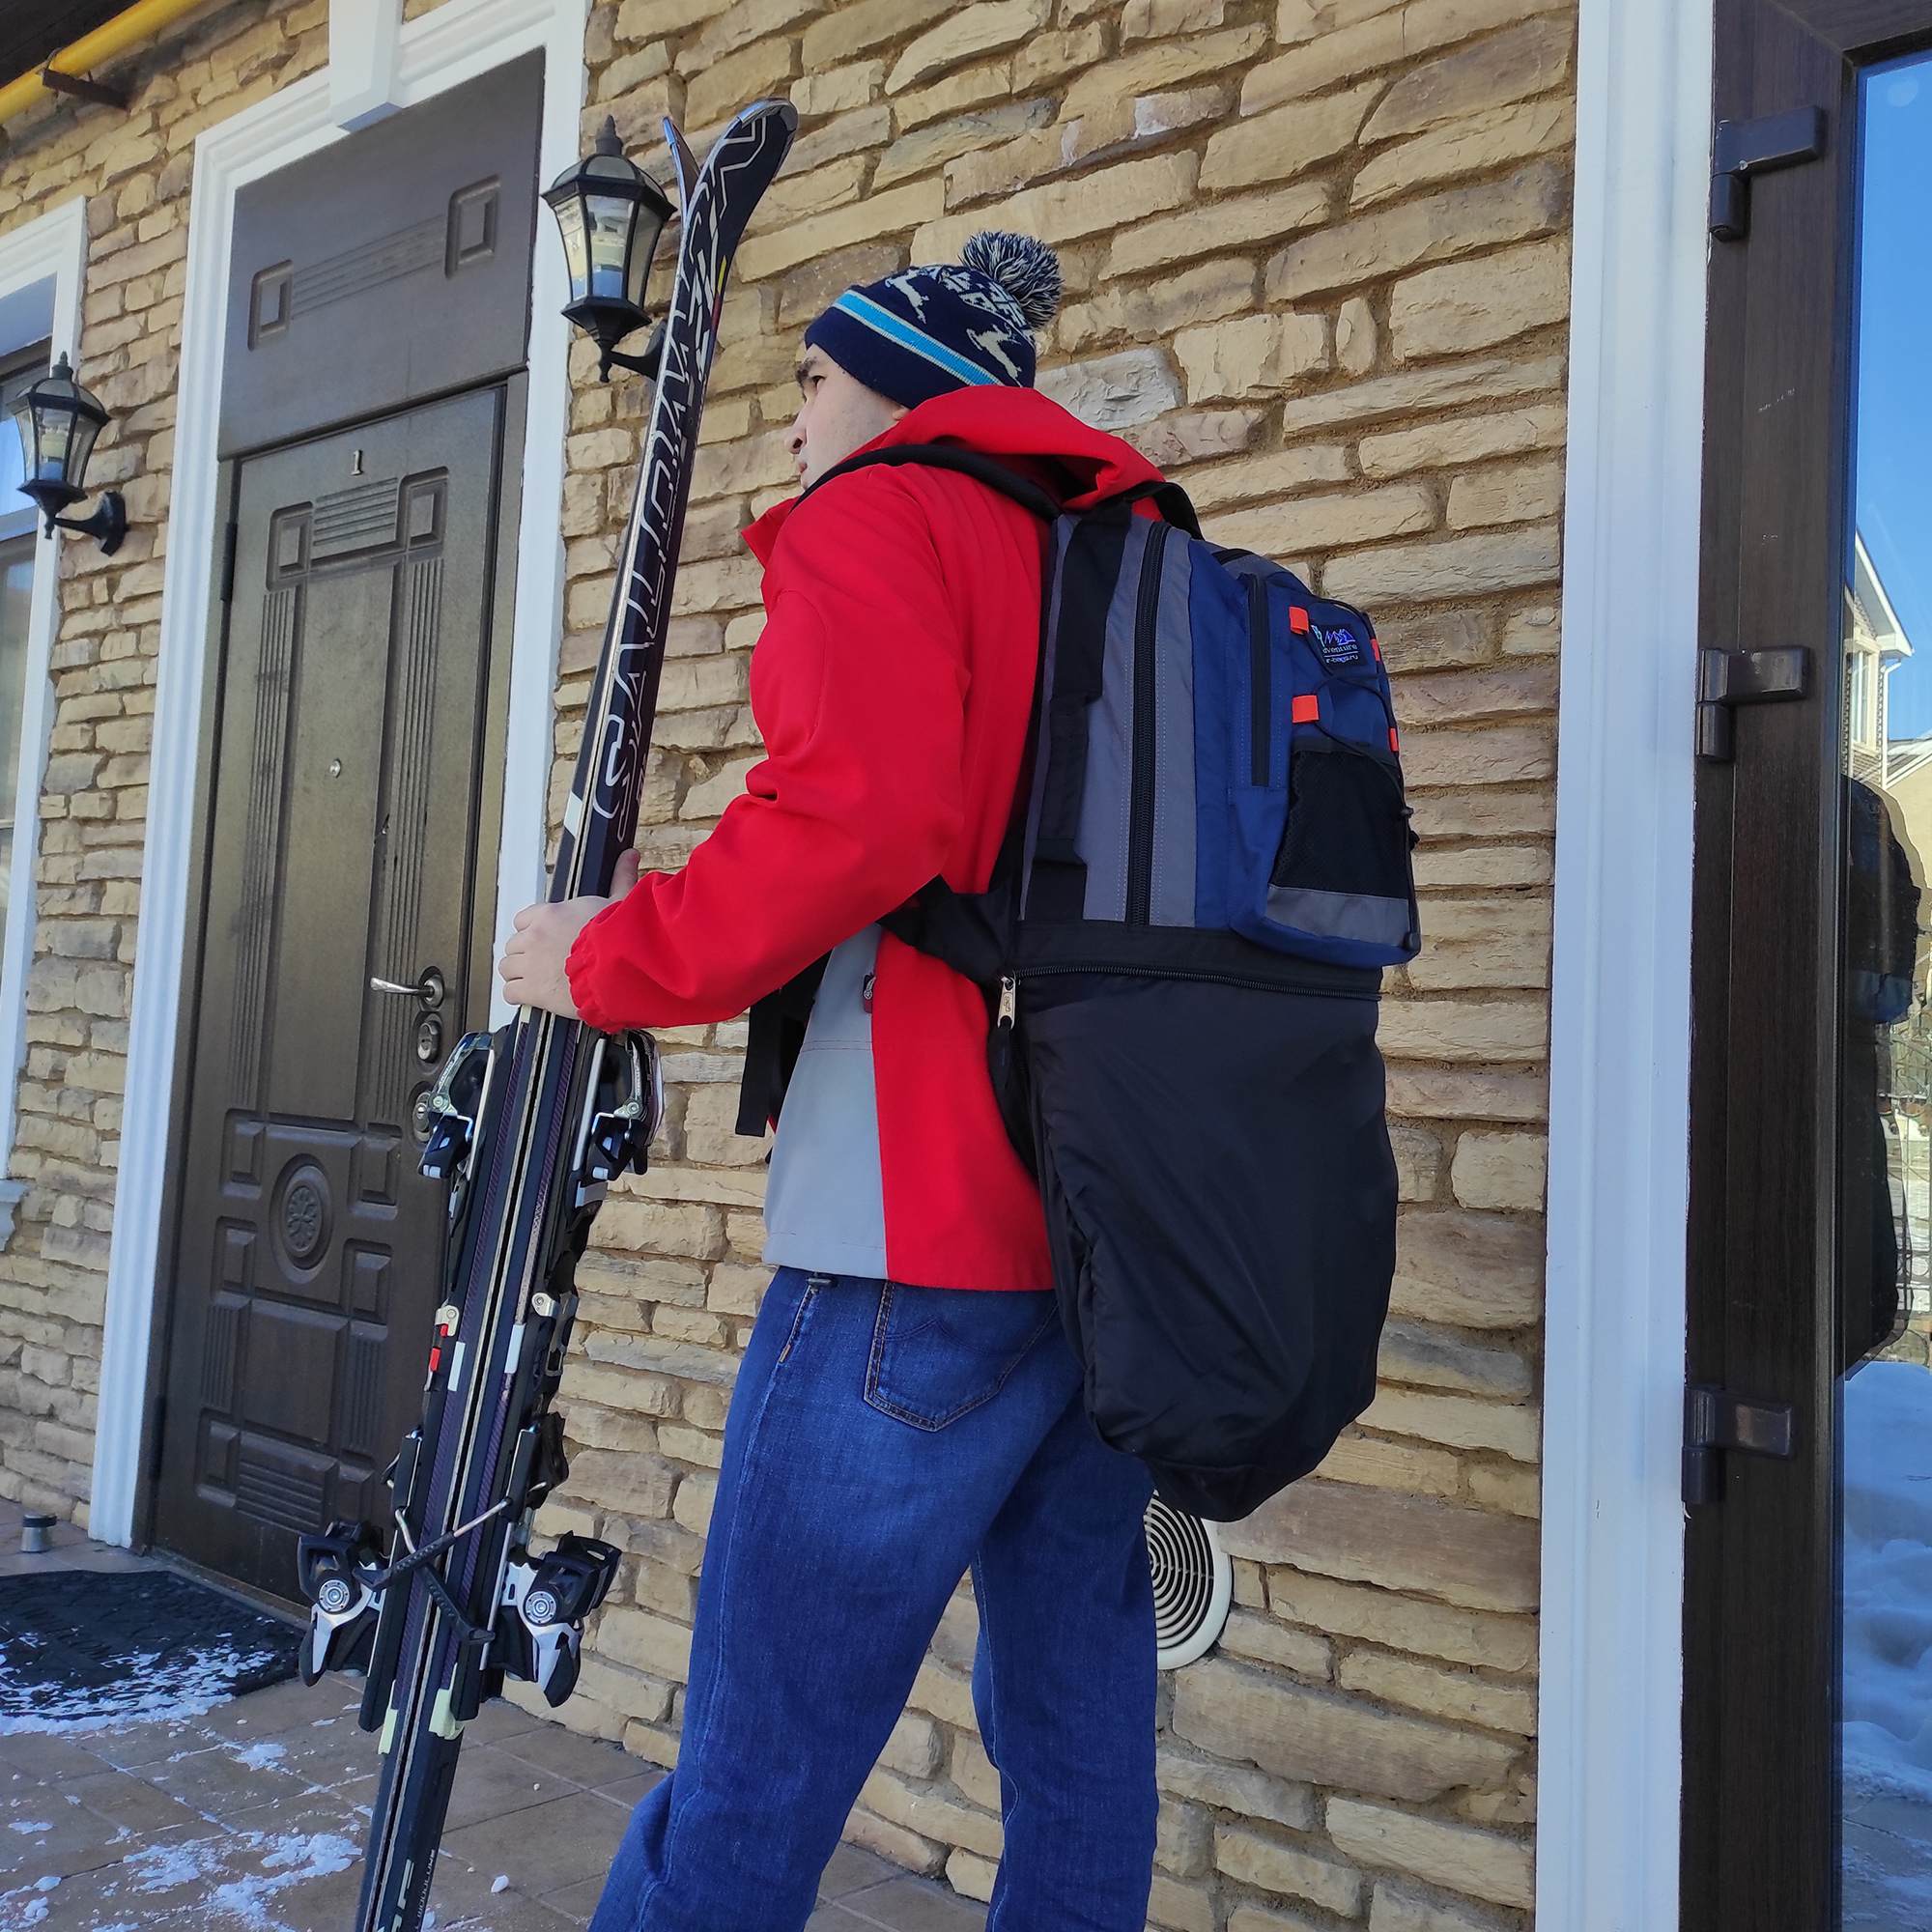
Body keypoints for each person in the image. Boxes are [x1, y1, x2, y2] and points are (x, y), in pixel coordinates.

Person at [497, 232, 1176, 1932]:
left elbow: (854, 821)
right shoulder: (1120, 552)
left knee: (763, 1755)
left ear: (904, 390)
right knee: (1080, 1737)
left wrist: (604, 955)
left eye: (812, 379)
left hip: (912, 1239)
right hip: (1114, 1229)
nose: (792, 418)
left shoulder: (883, 513)